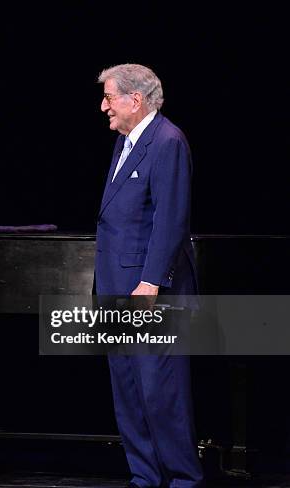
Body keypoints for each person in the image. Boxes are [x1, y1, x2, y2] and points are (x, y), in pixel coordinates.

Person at [95, 64, 204, 487]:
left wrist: (151, 281)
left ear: (133, 100)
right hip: (117, 286)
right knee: (128, 391)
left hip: (148, 289)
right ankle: (145, 476)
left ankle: (182, 479)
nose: (104, 106)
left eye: (109, 97)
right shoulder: (127, 142)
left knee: (161, 391)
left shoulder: (167, 141)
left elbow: (171, 219)